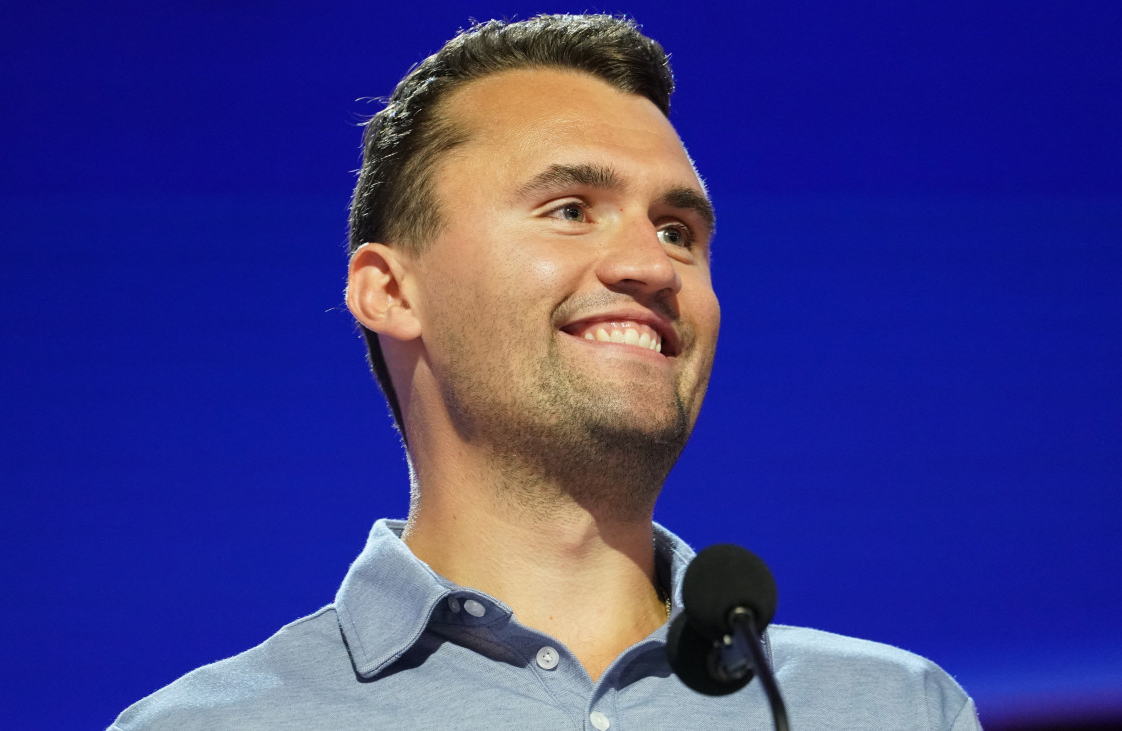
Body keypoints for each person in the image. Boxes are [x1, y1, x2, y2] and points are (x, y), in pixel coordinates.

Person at [111, 14, 980, 730]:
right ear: (389, 291)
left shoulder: (897, 710)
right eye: (570, 210)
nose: (651, 264)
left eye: (679, 230)